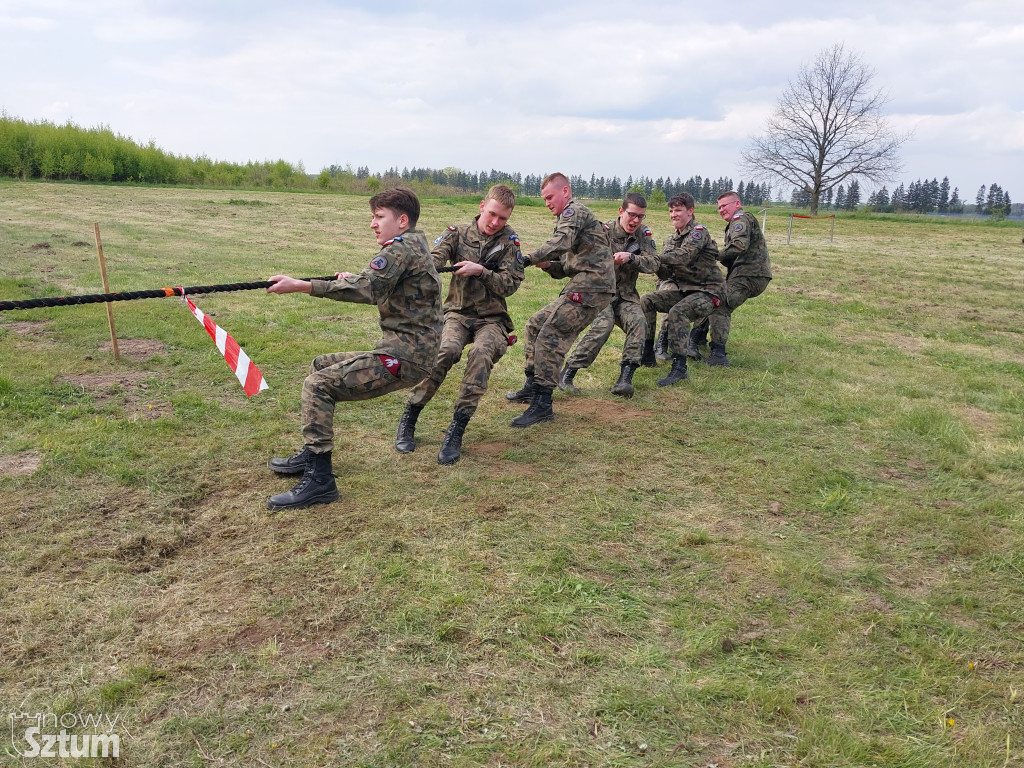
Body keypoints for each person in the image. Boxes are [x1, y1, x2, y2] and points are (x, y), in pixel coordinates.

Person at [264, 187, 442, 510]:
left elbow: (366, 288)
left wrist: (300, 286)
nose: (373, 224)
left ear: (402, 221)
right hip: (404, 352)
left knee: (318, 385)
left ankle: (321, 480)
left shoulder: (400, 250)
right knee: (320, 365)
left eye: (379, 217)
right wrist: (355, 278)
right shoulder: (413, 244)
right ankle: (312, 452)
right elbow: (376, 282)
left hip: (403, 358)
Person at [394, 184, 525, 464]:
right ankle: (410, 417)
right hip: (456, 313)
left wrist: (482, 272)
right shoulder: (457, 234)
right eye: (492, 214)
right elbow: (435, 258)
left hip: (492, 319)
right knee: (445, 351)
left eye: (502, 218)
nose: (495, 222)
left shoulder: (510, 242)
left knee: (481, 355)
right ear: (482, 206)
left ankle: (456, 430)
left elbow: (510, 284)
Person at [505, 172, 615, 426]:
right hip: (584, 283)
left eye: (549, 197)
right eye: (544, 199)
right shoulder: (573, 219)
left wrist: (529, 258)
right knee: (535, 324)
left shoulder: (572, 212)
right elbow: (566, 265)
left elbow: (560, 242)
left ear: (565, 192)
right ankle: (533, 386)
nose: (547, 203)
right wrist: (546, 265)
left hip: (592, 287)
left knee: (550, 335)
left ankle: (543, 404)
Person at [558, 192, 658, 398]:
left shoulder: (643, 235)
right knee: (604, 325)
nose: (636, 220)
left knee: (639, 322)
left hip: (626, 296)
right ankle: (568, 373)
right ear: (621, 211)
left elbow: (654, 263)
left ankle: (625, 378)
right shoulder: (603, 232)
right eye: (632, 215)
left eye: (640, 216)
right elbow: (583, 259)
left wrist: (631, 258)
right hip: (600, 293)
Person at [639, 192, 724, 386]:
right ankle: (647, 354)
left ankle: (679, 368)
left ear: (690, 211)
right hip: (685, 289)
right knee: (647, 300)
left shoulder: (699, 232)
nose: (673, 215)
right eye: (671, 211)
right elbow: (666, 274)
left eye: (678, 210)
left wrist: (657, 258)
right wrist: (644, 260)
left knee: (679, 312)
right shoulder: (671, 239)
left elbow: (684, 256)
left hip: (708, 292)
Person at [690, 191, 772, 366]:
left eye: (724, 206)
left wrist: (713, 255)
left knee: (721, 303)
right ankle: (696, 338)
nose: (721, 210)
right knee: (711, 295)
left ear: (737, 204)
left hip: (750, 275)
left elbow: (739, 246)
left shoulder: (740, 220)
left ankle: (718, 354)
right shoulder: (738, 222)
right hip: (746, 274)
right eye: (719, 207)